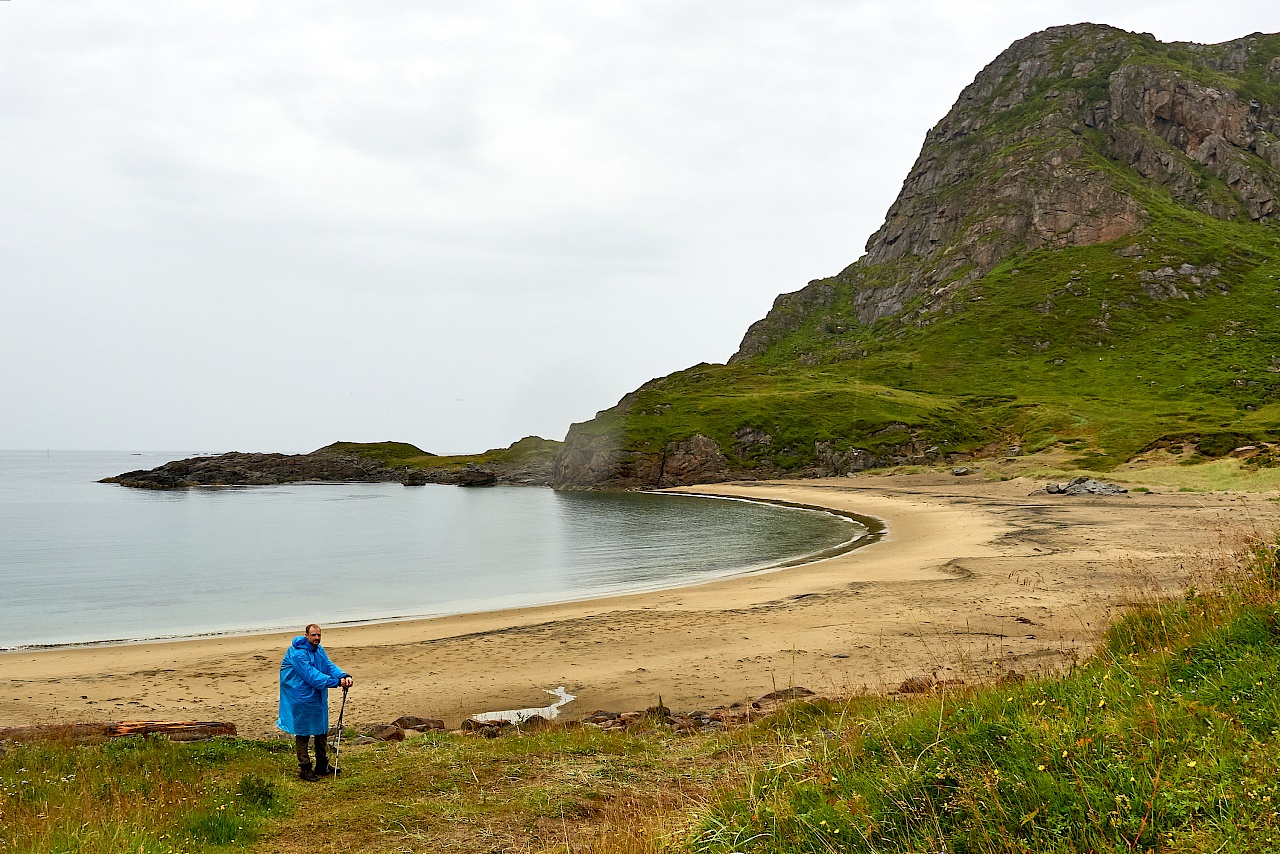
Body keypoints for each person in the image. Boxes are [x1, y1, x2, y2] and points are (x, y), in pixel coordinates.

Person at [277, 623, 353, 781]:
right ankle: (305, 768)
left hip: (317, 695)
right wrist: (336, 682)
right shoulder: (297, 653)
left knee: (321, 729)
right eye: (313, 635)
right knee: (303, 732)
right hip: (300, 696)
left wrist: (343, 675)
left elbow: (328, 666)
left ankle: (322, 764)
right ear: (306, 636)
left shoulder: (319, 650)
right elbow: (311, 675)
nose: (317, 638)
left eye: (319, 635)